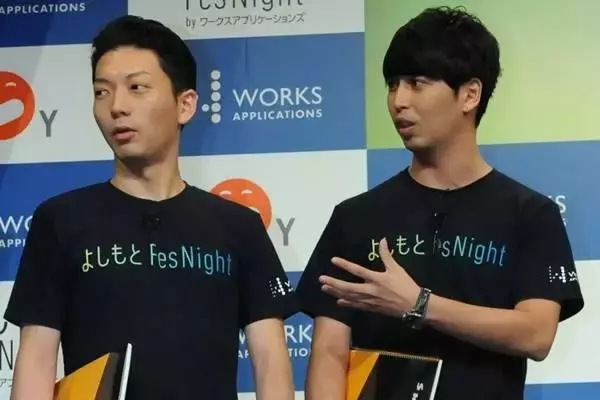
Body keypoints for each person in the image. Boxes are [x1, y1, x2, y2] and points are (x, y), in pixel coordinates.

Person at [295, 6, 584, 400]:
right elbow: (330, 352)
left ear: (469, 94)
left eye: (417, 83)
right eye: (392, 84)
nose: (398, 100)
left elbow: (536, 334)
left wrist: (419, 304)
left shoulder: (530, 215)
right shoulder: (356, 216)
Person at [4, 15, 297, 400]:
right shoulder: (60, 220)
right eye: (102, 92)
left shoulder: (238, 226)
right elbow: (37, 360)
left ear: (185, 105)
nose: (117, 107)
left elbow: (271, 361)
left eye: (137, 88)